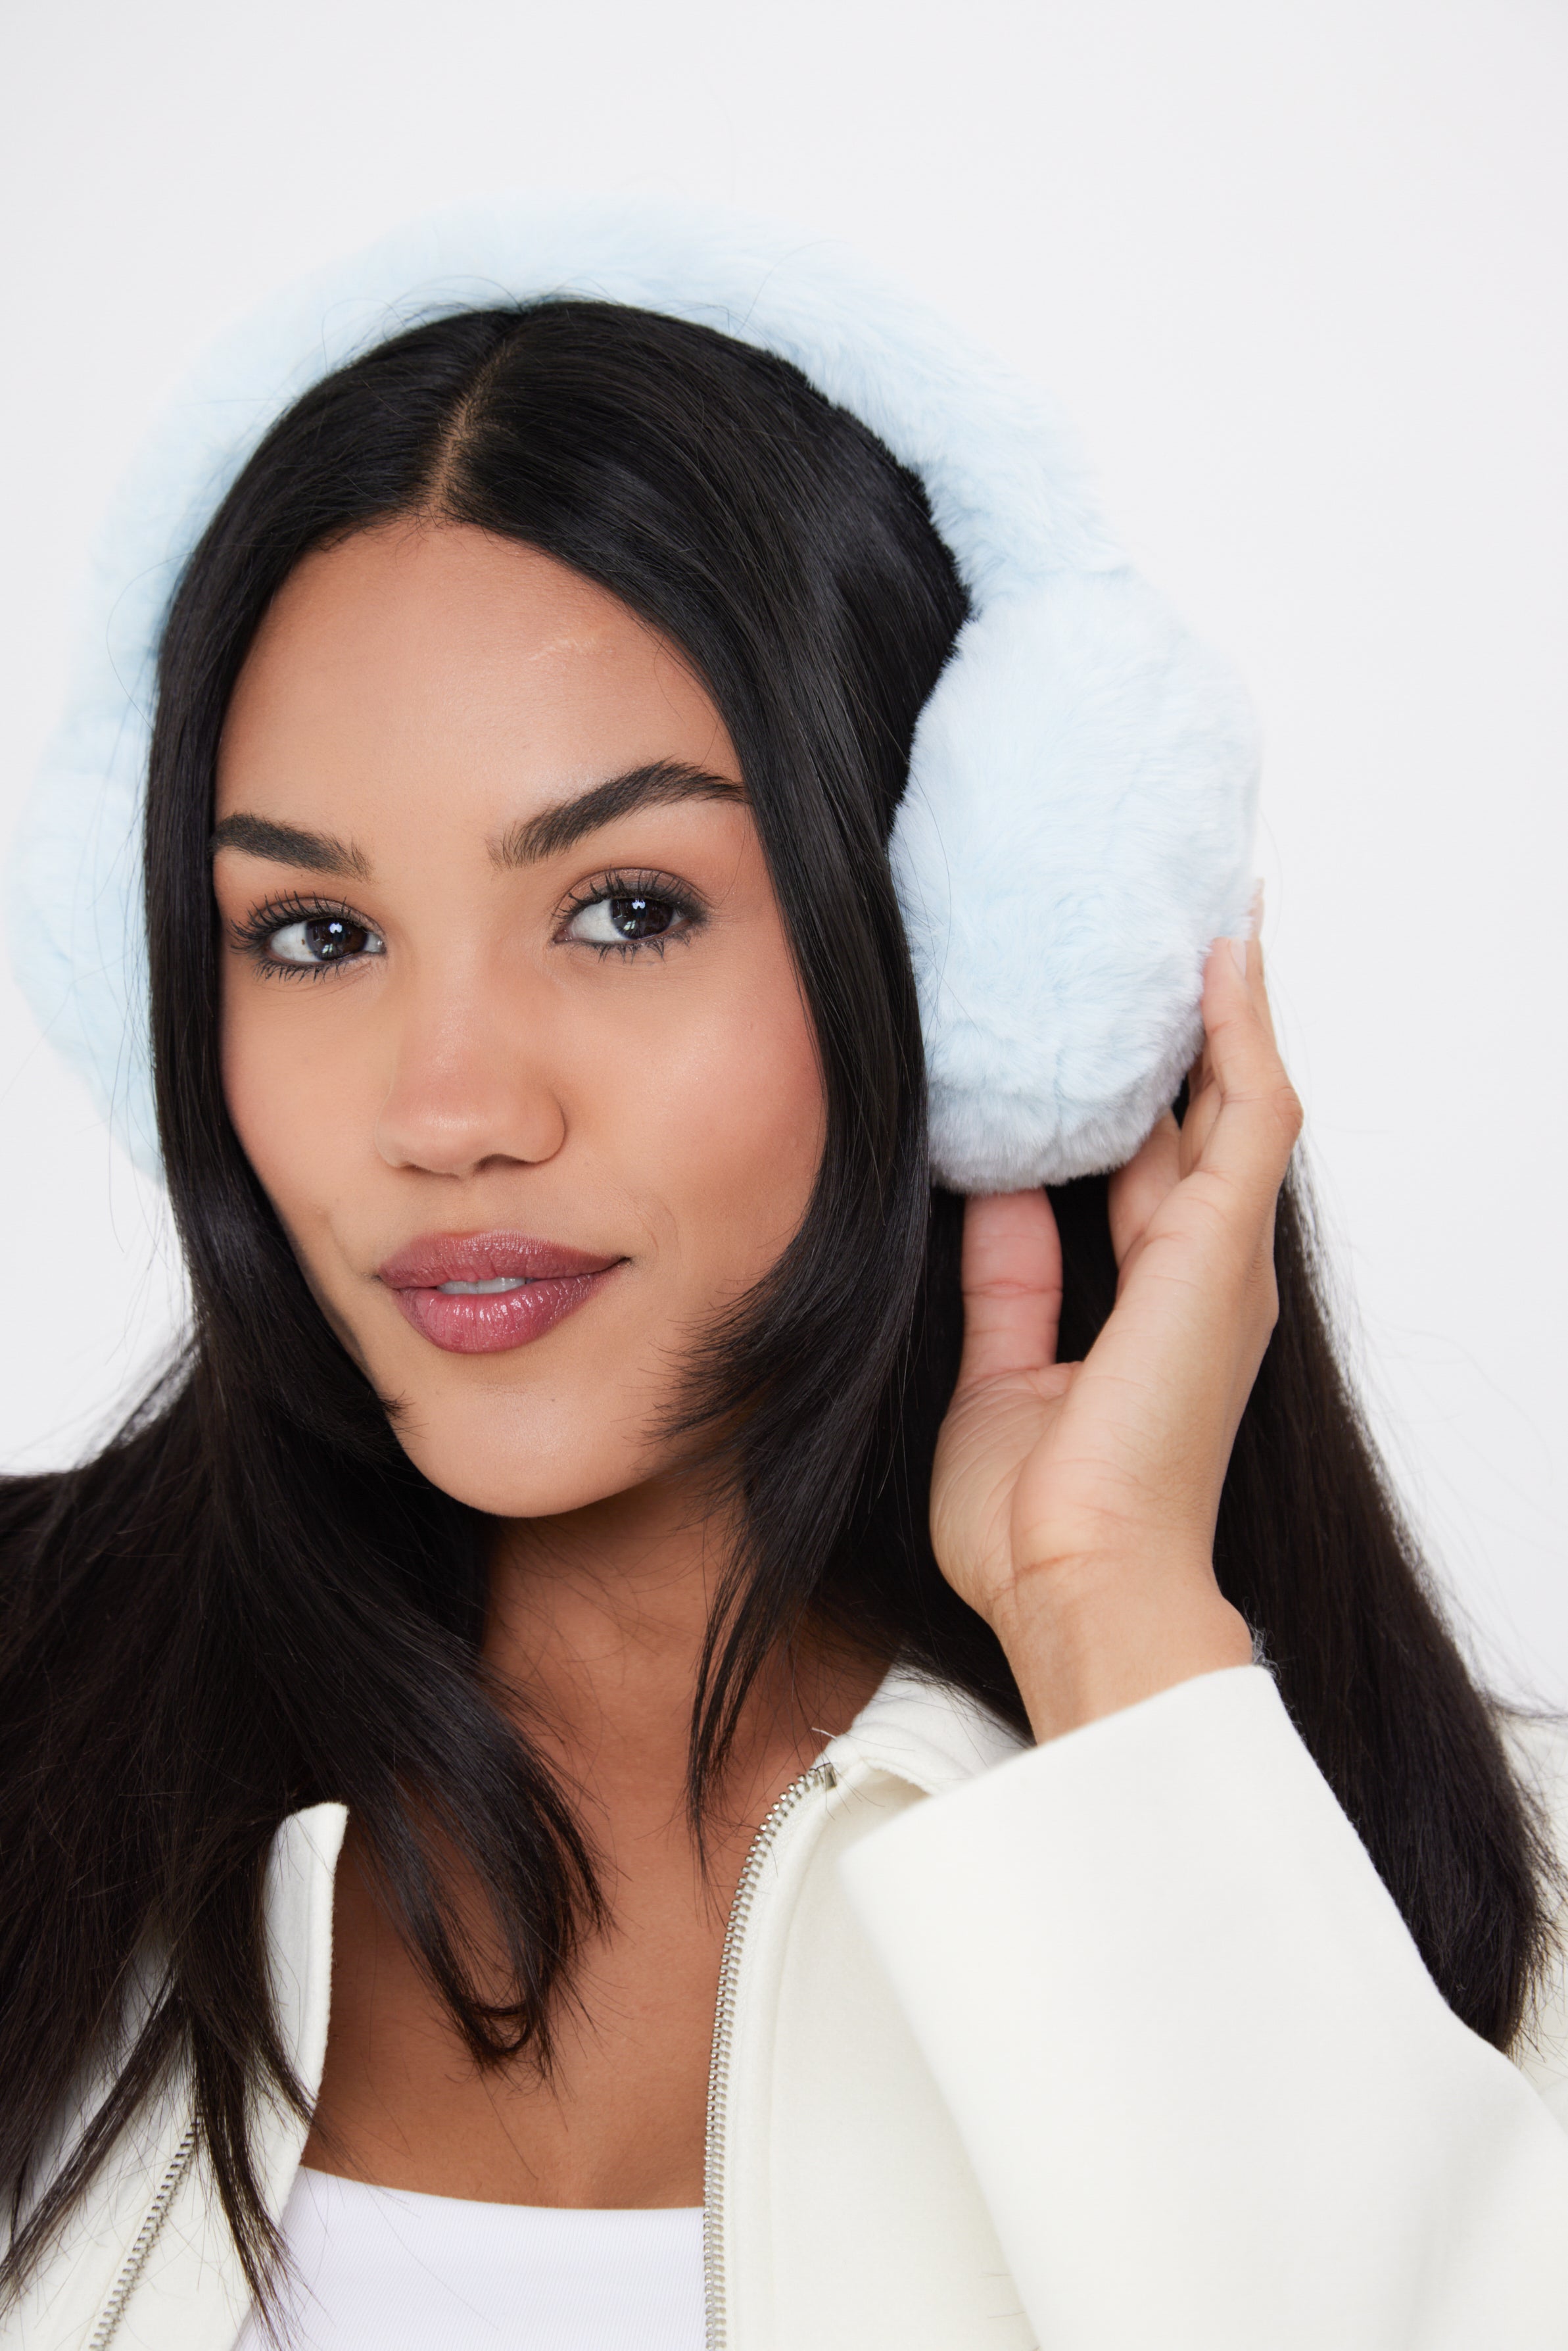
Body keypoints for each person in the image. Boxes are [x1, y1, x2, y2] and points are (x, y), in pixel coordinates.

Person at [1, 199, 1565, 2351]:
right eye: (315, 934)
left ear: (962, 957)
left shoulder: (1463, 1909)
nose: (445, 1108)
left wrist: (1112, 1621)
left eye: (626, 906)